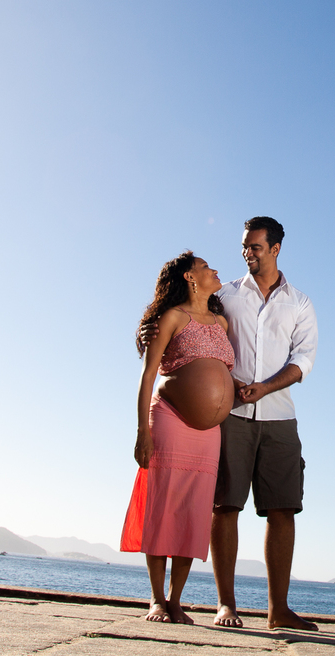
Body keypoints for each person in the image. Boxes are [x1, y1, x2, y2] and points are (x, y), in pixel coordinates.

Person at [211, 216, 318, 631]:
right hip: (230, 416)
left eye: (255, 246)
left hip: (280, 419)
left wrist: (265, 387)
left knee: (283, 508)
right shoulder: (225, 295)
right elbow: (203, 336)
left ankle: (279, 610)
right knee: (225, 506)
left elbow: (303, 361)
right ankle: (226, 605)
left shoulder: (301, 303)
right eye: (244, 246)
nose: (247, 253)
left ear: (275, 248)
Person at [120, 251, 235, 624]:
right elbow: (148, 374)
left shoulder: (222, 321)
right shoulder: (171, 318)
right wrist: (142, 431)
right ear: (189, 277)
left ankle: (176, 600)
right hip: (169, 419)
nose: (215, 270)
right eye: (206, 267)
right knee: (164, 507)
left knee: (193, 512)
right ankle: (155, 599)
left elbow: (217, 370)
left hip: (209, 433)